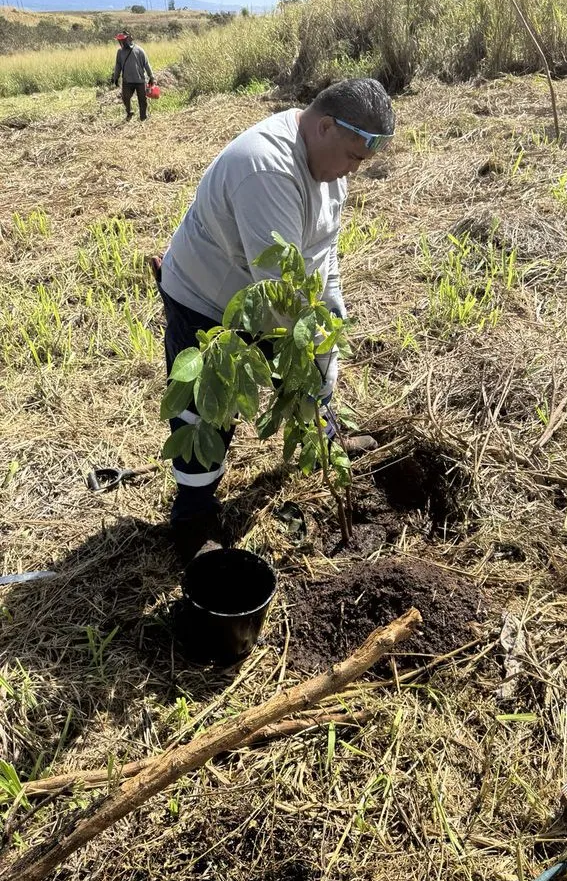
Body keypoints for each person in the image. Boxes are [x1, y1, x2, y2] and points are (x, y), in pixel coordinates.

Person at [155, 77, 396, 560]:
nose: (354, 170)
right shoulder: (266, 168)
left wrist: (332, 314)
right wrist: (311, 349)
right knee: (206, 410)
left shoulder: (330, 167)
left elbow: (322, 250)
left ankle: (324, 436)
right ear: (325, 126)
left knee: (309, 369)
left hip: (266, 297)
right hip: (206, 296)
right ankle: (193, 517)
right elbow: (278, 297)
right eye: (353, 157)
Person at [112, 32, 154, 122]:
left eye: (122, 41)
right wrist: (116, 78)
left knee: (142, 100)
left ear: (128, 39)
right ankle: (129, 112)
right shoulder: (120, 52)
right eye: (120, 41)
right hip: (127, 81)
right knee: (125, 97)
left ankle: (143, 117)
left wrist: (151, 77)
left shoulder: (139, 50)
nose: (121, 43)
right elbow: (118, 65)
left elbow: (146, 64)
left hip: (140, 80)